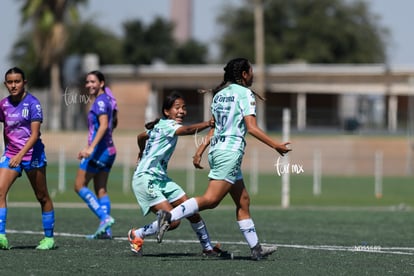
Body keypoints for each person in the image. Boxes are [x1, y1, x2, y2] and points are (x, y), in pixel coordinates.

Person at [156, 58, 292, 260]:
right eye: (251, 71)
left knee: (243, 200)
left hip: (218, 150)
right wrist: (276, 145)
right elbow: (252, 127)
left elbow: (215, 127)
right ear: (244, 74)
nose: (253, 74)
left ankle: (256, 249)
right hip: (230, 152)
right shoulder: (245, 94)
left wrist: (201, 149)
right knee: (211, 200)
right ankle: (170, 215)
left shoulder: (219, 95)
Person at [128, 92, 231, 258]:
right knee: (174, 221)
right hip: (145, 179)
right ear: (167, 111)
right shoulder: (168, 125)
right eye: (177, 108)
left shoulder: (159, 125)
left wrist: (141, 151)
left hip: (161, 179)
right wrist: (208, 123)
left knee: (192, 211)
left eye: (184, 107)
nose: (182, 111)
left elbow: (141, 136)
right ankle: (137, 234)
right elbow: (189, 129)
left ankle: (208, 248)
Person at [0, 67, 55, 250]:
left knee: (42, 196)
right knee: (0, 191)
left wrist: (20, 155)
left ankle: (49, 238)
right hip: (11, 155)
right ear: (6, 84)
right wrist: (8, 151)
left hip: (32, 155)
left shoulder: (33, 103)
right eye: (10, 82)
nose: (13, 85)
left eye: (17, 81)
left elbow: (34, 134)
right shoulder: (3, 104)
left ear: (24, 83)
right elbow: (6, 129)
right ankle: (1, 236)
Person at [74, 70, 117, 239]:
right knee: (101, 189)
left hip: (100, 151)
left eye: (93, 81)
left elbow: (104, 125)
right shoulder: (107, 100)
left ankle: (104, 218)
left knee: (79, 185)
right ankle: (105, 231)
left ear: (102, 83)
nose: (89, 85)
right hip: (109, 151)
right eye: (87, 82)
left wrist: (90, 148)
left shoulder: (100, 102)